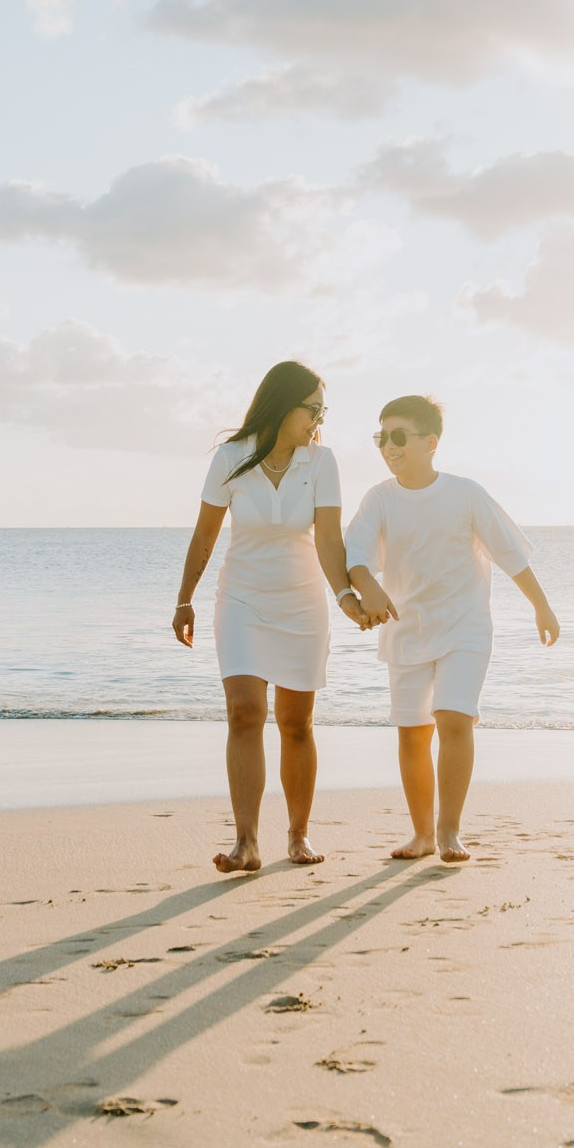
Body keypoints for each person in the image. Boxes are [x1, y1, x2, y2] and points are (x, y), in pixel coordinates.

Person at [344, 394, 559, 864]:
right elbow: (354, 554)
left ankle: (448, 832)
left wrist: (541, 606)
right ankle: (420, 835)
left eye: (399, 436)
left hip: (465, 628)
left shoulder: (465, 493)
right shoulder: (379, 498)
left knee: (454, 717)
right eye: (382, 438)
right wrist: (366, 590)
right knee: (412, 733)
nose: (389, 447)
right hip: (406, 631)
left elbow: (510, 555)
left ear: (431, 442)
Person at [172, 360, 362, 874]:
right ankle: (247, 843)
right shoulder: (231, 458)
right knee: (244, 712)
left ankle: (298, 835)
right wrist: (184, 598)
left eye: (324, 410)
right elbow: (205, 535)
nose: (319, 419)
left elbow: (328, 540)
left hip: (301, 602)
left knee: (296, 723)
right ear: (283, 405)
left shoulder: (322, 462)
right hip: (241, 600)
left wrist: (345, 594)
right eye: (312, 409)